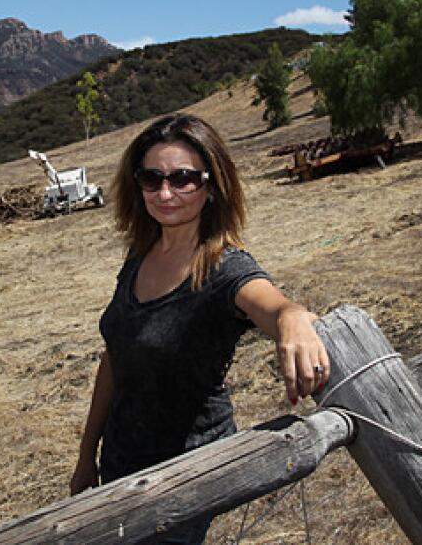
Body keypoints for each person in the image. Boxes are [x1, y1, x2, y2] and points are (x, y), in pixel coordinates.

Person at [69, 113, 330, 543]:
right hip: (121, 465)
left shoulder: (224, 268)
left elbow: (270, 303)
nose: (165, 193)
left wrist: (294, 320)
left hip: (185, 478)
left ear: (211, 186)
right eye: (151, 179)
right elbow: (116, 356)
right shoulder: (139, 256)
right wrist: (86, 458)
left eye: (183, 179)